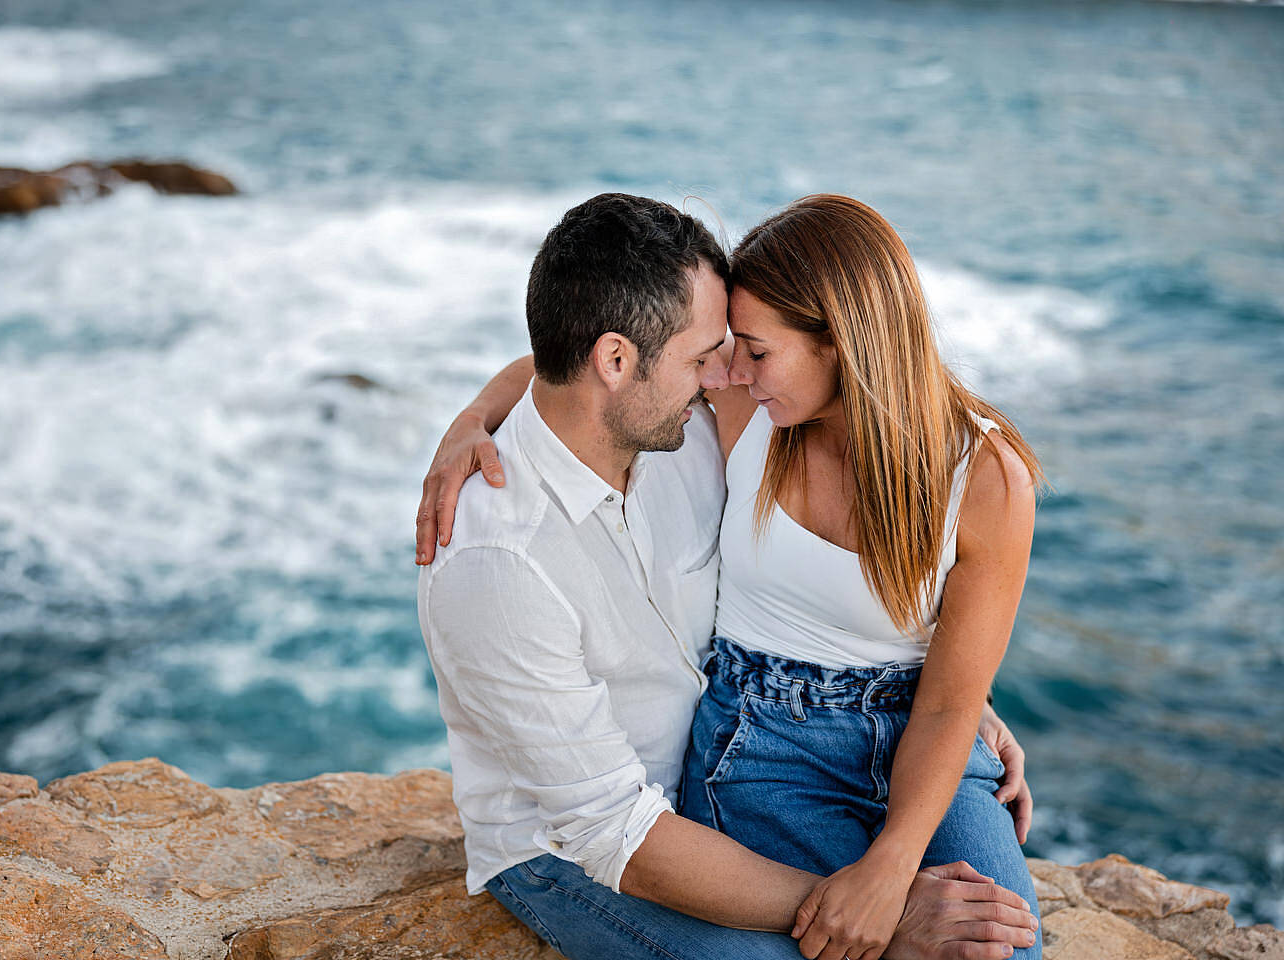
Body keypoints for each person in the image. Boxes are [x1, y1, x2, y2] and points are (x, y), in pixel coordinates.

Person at [416, 192, 1039, 960]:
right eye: (709, 355)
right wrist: (890, 905)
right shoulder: (500, 562)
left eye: (743, 350)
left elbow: (580, 366)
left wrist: (951, 690)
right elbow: (617, 834)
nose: (726, 373)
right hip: (593, 833)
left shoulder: (679, 433)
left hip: (847, 740)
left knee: (997, 946)